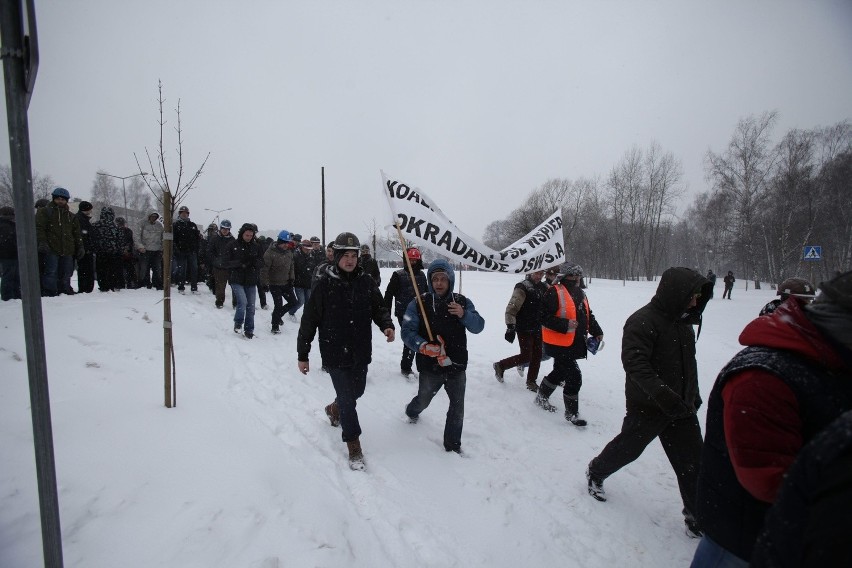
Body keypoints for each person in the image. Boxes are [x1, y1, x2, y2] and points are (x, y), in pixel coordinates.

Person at [691, 270, 852, 566]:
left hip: (786, 535)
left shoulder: (827, 364)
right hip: (743, 539)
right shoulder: (763, 377)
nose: (695, 300)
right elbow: (766, 478)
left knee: (683, 454)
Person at [587, 267, 711, 539]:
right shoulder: (642, 321)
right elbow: (635, 364)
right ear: (676, 293)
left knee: (694, 464)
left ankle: (698, 518)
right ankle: (596, 471)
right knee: (628, 448)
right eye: (692, 295)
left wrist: (693, 393)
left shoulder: (683, 323)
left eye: (698, 296)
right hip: (649, 405)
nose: (695, 301)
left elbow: (688, 365)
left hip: (681, 408)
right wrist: (665, 396)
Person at [297, 232, 395, 470]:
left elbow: (379, 307)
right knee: (348, 400)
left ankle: (333, 409)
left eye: (354, 255)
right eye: (346, 255)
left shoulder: (366, 281)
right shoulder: (324, 283)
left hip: (360, 349)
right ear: (337, 257)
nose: (350, 260)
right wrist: (303, 354)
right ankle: (354, 445)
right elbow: (309, 320)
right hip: (334, 350)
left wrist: (387, 324)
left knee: (357, 391)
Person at [403, 259, 485, 454]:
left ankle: (452, 446)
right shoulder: (419, 302)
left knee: (457, 408)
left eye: (443, 279)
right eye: (435, 279)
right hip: (430, 366)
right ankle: (411, 410)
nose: (439, 283)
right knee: (424, 400)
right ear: (430, 281)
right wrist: (422, 346)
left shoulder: (462, 302)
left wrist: (464, 314)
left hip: (456, 365)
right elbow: (407, 332)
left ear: (451, 280)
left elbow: (479, 326)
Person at [532, 264, 603, 426]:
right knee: (575, 377)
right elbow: (542, 316)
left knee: (560, 372)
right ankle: (572, 414)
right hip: (558, 343)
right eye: (575, 276)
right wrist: (564, 325)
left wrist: (597, 331)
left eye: (579, 277)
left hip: (574, 342)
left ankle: (541, 398)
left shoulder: (580, 293)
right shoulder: (554, 291)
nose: (578, 279)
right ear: (568, 276)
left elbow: (587, 315)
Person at [493, 269, 548, 392]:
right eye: (537, 273)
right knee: (526, 355)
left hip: (537, 326)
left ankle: (531, 382)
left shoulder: (543, 287)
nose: (539, 276)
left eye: (541, 274)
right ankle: (500, 365)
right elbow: (512, 307)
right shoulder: (523, 287)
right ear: (531, 272)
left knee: (537, 355)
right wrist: (511, 326)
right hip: (523, 327)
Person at [383, 247, 428, 380]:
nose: (413, 263)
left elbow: (426, 293)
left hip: (420, 312)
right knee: (410, 337)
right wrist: (386, 314)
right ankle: (406, 367)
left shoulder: (422, 275)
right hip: (404, 312)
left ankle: (422, 366)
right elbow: (389, 294)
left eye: (415, 260)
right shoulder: (398, 275)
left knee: (421, 338)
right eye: (410, 260)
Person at [34, 187, 83, 296]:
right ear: (54, 199)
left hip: (67, 248)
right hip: (52, 247)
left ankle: (64, 289)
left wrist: (80, 246)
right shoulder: (45, 212)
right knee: (51, 271)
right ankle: (50, 291)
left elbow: (76, 233)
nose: (60, 201)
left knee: (66, 272)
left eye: (63, 199)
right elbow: (39, 228)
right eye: (58, 199)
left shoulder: (71, 216)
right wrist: (42, 241)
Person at [225, 223, 263, 338]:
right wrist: (240, 263)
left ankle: (249, 329)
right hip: (236, 278)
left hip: (251, 279)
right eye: (247, 235)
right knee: (242, 302)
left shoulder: (256, 247)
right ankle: (238, 322)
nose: (249, 237)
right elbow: (226, 262)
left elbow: (261, 262)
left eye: (251, 235)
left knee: (251, 306)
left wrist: (254, 263)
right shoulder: (232, 245)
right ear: (242, 234)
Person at [260, 230, 299, 334]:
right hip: (274, 284)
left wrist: (291, 279)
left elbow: (291, 267)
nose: (286, 245)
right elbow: (264, 269)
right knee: (278, 304)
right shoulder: (270, 253)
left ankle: (277, 316)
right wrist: (264, 283)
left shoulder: (289, 252)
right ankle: (275, 326)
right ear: (279, 242)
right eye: (284, 243)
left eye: (288, 243)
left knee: (293, 302)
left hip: (286, 283)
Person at [90, 207, 124, 292]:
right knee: (112, 270)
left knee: (101, 270)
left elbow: (91, 238)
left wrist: (95, 248)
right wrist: (119, 250)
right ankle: (112, 285)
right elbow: (120, 240)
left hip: (100, 252)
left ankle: (103, 286)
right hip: (113, 252)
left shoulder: (95, 225)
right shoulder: (115, 226)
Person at [206, 219, 235, 308]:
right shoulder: (215, 239)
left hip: (230, 267)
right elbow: (210, 252)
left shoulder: (233, 240)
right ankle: (219, 302)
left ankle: (236, 303)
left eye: (227, 229)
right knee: (220, 286)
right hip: (219, 267)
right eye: (223, 228)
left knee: (234, 286)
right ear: (220, 228)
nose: (225, 230)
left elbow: (235, 253)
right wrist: (215, 261)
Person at [172, 205, 200, 293]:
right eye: (182, 213)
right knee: (182, 270)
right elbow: (174, 239)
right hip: (181, 251)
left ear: (188, 214)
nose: (184, 215)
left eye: (186, 213)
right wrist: (177, 249)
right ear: (179, 214)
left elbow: (197, 238)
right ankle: (181, 287)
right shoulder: (176, 225)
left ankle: (194, 288)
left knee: (194, 269)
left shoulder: (192, 225)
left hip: (192, 251)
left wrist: (196, 248)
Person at [135, 211, 164, 290]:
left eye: (155, 216)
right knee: (144, 269)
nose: (153, 218)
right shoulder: (141, 224)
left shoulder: (159, 225)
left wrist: (162, 248)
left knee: (157, 269)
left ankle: (157, 283)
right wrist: (140, 246)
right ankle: (144, 283)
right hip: (145, 250)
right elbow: (137, 236)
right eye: (152, 216)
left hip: (157, 251)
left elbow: (163, 238)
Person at [289, 238, 316, 320]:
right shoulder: (296, 255)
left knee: (308, 302)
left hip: (308, 283)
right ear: (302, 247)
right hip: (299, 283)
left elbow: (313, 268)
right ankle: (291, 312)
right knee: (301, 301)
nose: (308, 250)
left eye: (309, 249)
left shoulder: (312, 256)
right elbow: (293, 269)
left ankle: (306, 317)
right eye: (306, 249)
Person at [74, 201, 95, 293]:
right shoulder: (80, 219)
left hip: (86, 248)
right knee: (85, 269)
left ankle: (86, 288)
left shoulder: (83, 219)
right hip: (85, 249)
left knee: (85, 269)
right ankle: (85, 288)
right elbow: (82, 235)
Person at [0, 206, 20, 300]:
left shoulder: (8, 225)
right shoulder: (7, 225)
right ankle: (9, 296)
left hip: (9, 255)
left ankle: (13, 295)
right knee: (10, 276)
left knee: (11, 275)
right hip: (10, 255)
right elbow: (8, 241)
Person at [115, 217, 136, 289]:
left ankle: (129, 283)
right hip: (121, 253)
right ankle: (124, 283)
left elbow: (131, 242)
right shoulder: (117, 231)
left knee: (129, 269)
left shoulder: (128, 231)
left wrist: (126, 249)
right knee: (123, 269)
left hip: (127, 254)